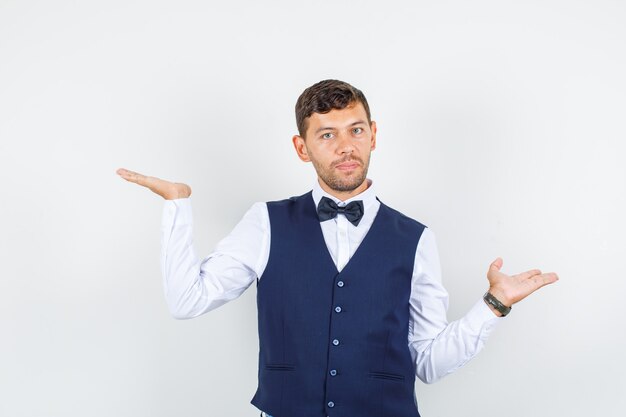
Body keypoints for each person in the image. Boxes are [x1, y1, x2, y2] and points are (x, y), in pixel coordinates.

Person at [116, 79, 558, 417]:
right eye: (326, 135)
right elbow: (186, 300)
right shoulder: (265, 222)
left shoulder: (416, 237)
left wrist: (494, 304)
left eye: (356, 130)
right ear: (302, 147)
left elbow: (428, 363)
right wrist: (178, 206)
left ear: (374, 134)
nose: (346, 146)